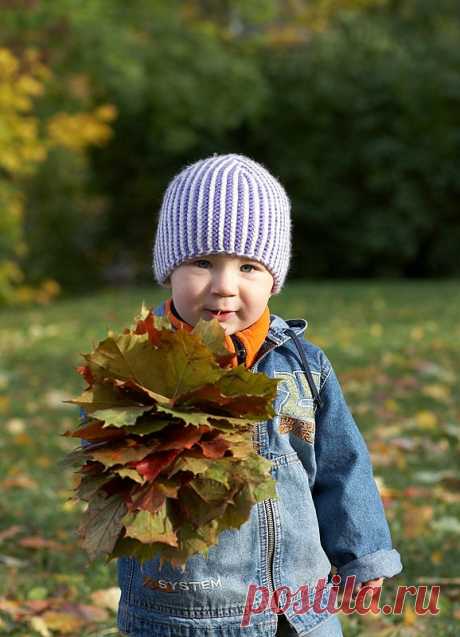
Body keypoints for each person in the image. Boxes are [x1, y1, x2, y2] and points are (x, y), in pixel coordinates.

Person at [114, 153, 402, 636]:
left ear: (274, 278)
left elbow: (340, 465)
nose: (224, 287)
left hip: (300, 605)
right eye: (202, 263)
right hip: (186, 612)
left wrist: (363, 555)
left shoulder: (304, 367)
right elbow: (107, 460)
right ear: (168, 270)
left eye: (248, 266)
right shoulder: (140, 363)